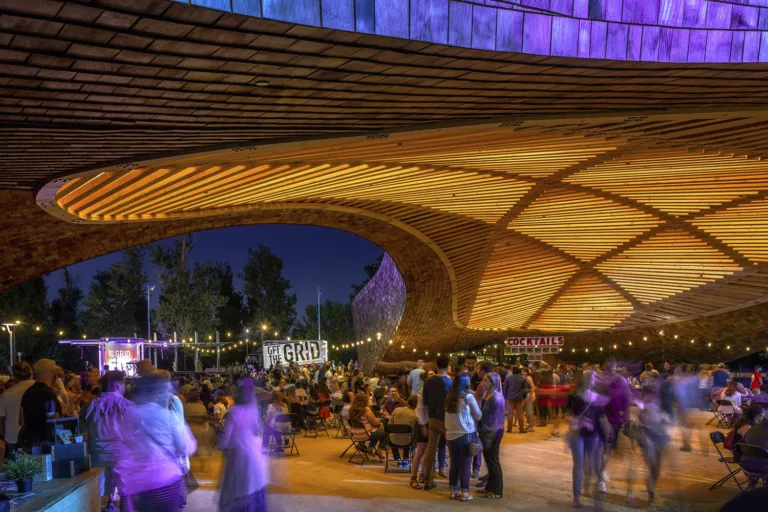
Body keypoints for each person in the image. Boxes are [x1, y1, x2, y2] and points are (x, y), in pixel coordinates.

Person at [115, 373, 196, 512]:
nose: (170, 394)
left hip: (136, 484)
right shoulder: (168, 416)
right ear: (156, 394)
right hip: (166, 480)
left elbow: (123, 444)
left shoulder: (130, 413)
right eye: (166, 391)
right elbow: (186, 447)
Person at [79, 371, 132, 512]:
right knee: (125, 494)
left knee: (99, 494)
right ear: (120, 385)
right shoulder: (129, 406)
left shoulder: (87, 408)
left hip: (97, 456)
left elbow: (84, 437)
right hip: (123, 454)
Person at [218, 378, 269, 512]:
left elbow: (225, 438)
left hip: (238, 457)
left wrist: (221, 445)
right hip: (254, 455)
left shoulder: (233, 412)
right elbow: (258, 430)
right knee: (253, 486)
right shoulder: (254, 410)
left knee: (238, 489)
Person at [569, 371, 610, 508]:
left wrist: (607, 431)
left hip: (593, 436)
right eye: (593, 378)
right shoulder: (576, 397)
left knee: (591, 465)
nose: (595, 380)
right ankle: (577, 497)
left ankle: (587, 486)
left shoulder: (597, 397)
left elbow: (602, 416)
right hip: (577, 434)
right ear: (587, 380)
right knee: (578, 465)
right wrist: (580, 420)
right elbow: (569, 416)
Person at [444, 371, 482, 501]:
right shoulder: (468, 398)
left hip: (450, 435)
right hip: (465, 434)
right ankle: (465, 493)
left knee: (454, 464)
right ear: (467, 383)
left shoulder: (449, 397)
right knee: (466, 465)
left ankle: (453, 491)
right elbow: (478, 415)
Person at [422, 355, 452, 490]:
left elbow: (425, 403)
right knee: (452, 449)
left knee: (430, 449)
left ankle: (428, 479)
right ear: (448, 365)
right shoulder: (450, 382)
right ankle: (454, 482)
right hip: (447, 420)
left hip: (433, 419)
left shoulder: (428, 382)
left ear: (436, 364)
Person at [19, 358, 62, 447]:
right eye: (54, 371)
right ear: (49, 373)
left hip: (29, 441)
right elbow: (55, 420)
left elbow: (21, 421)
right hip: (46, 443)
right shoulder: (48, 394)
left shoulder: (28, 392)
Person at [477, 372, 504, 499]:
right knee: (489, 460)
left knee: (493, 461)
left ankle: (497, 491)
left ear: (493, 383)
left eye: (485, 381)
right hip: (487, 431)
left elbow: (490, 418)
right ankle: (489, 487)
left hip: (493, 432)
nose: (483, 383)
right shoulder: (489, 394)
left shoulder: (495, 398)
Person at [0, 361, 34, 458]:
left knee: (16, 471)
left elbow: (1, 421)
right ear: (31, 372)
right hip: (37, 438)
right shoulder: (40, 390)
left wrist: (6, 436)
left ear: (14, 375)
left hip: (13, 438)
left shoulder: (6, 394)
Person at [410, 370, 433, 489]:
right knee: (420, 451)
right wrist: (423, 426)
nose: (433, 377)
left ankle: (423, 474)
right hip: (423, 423)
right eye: (430, 375)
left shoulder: (432, 390)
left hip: (430, 424)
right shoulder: (423, 391)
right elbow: (419, 411)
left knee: (427, 452)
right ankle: (413, 478)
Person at [348, 394, 386, 458]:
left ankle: (369, 447)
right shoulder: (366, 409)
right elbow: (375, 423)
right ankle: (379, 449)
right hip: (366, 434)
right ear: (365, 401)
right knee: (385, 432)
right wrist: (380, 422)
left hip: (355, 434)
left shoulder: (351, 409)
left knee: (377, 432)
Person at [390, 394, 418, 466]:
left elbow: (389, 424)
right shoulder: (416, 415)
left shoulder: (397, 410)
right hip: (408, 441)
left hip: (393, 440)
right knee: (409, 435)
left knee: (392, 435)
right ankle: (406, 459)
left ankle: (398, 458)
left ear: (407, 402)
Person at [503, 367, 527, 433]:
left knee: (510, 414)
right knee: (520, 414)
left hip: (510, 398)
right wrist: (523, 398)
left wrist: (505, 397)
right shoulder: (522, 379)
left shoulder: (508, 378)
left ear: (512, 371)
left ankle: (509, 429)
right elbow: (525, 390)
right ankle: (521, 428)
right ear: (519, 372)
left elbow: (504, 389)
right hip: (519, 398)